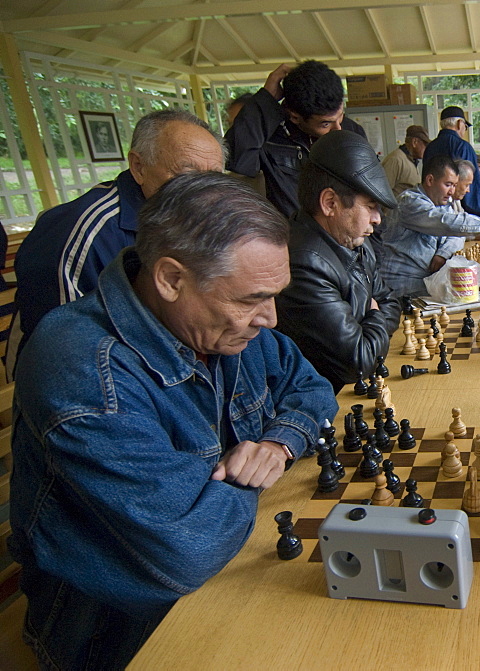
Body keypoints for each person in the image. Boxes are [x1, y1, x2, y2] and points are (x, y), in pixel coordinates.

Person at [9, 171, 336, 670]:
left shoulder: (224, 326)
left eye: (274, 295)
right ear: (170, 278)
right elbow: (189, 546)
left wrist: (276, 445)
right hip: (118, 631)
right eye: (251, 299)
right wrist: (249, 481)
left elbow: (311, 387)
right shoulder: (84, 372)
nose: (270, 317)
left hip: (230, 570)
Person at [8, 109, 225, 377]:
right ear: (138, 166)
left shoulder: (193, 216)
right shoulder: (84, 230)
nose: (201, 191)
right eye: (185, 174)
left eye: (213, 177)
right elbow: (61, 350)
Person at [276, 131, 402, 393]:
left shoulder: (354, 240)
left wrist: (369, 322)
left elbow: (390, 299)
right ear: (330, 203)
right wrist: (375, 314)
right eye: (370, 206)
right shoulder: (304, 264)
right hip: (328, 401)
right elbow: (357, 361)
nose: (377, 219)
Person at [226, 61, 368, 217]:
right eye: (325, 123)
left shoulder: (352, 132)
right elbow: (237, 160)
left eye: (341, 116)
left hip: (344, 236)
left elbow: (369, 191)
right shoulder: (270, 135)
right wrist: (265, 99)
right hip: (293, 235)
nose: (338, 128)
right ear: (295, 117)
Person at [381, 155, 480, 297]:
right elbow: (449, 223)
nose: (451, 191)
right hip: (400, 285)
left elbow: (456, 233)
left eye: (454, 185)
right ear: (430, 180)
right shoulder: (409, 202)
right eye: (448, 184)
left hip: (424, 281)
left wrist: (443, 253)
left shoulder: (442, 204)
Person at [422, 106, 480, 216]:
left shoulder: (430, 147)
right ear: (460, 124)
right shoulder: (463, 147)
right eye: (465, 127)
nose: (464, 131)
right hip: (457, 211)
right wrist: (478, 214)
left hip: (431, 208)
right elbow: (469, 183)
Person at [382, 125, 430, 197]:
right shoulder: (396, 160)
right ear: (414, 142)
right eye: (425, 144)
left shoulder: (411, 160)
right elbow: (382, 192)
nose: (427, 149)